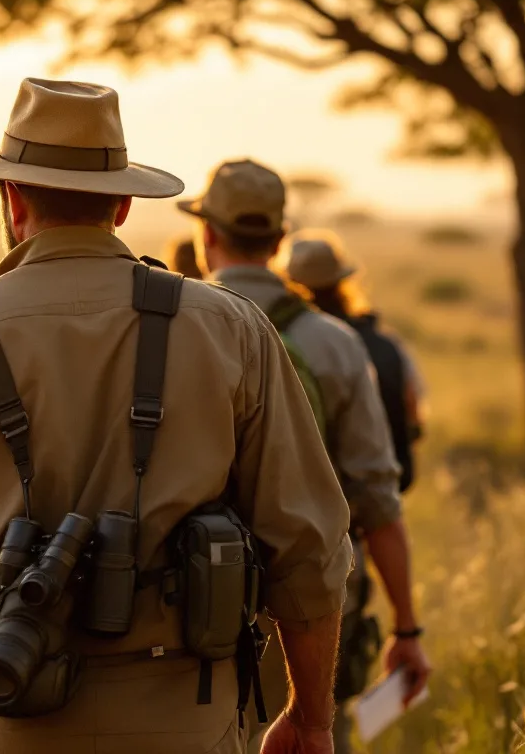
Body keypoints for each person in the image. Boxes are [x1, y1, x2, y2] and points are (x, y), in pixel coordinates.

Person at [0, 79, 351, 754]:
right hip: (193, 724)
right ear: (125, 204)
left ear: (11, 198)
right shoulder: (232, 330)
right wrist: (311, 719)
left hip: (10, 719)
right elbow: (308, 552)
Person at [181, 160, 432, 753]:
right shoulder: (335, 343)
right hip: (314, 609)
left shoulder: (167, 331)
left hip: (187, 602)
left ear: (206, 235)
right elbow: (376, 498)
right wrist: (407, 628)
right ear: (278, 241)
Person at [283, 230, 427, 493]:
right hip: (379, 491)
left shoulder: (284, 340)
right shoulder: (385, 345)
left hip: (311, 496)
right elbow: (414, 413)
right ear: (342, 283)